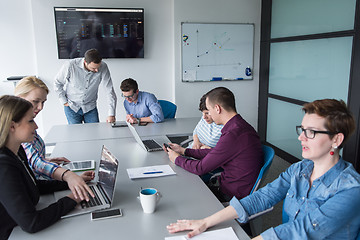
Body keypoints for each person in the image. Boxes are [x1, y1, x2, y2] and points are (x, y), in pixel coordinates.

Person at [167, 99, 360, 240]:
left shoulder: (351, 189)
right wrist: (205, 222)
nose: (301, 138)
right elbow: (263, 197)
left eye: (311, 132)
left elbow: (304, 230)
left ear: (336, 140)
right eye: (302, 130)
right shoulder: (300, 169)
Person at [0, 95, 82, 238]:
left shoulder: (17, 151)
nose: (36, 126)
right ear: (12, 126)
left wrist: (72, 183)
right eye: (31, 121)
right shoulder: (3, 166)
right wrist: (73, 199)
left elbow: (32, 185)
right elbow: (32, 223)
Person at [164, 87, 263, 202]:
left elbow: (200, 168)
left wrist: (177, 159)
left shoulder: (233, 134)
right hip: (231, 187)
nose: (207, 115)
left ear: (217, 108)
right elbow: (215, 153)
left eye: (209, 111)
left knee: (181, 195)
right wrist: (184, 151)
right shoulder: (238, 126)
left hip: (231, 196)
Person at [15, 76, 95, 201]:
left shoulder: (27, 122)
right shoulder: (19, 127)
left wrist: (46, 159)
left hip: (41, 185)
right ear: (19, 98)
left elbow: (26, 158)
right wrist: (68, 176)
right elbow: (36, 164)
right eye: (36, 101)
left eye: (43, 102)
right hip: (36, 190)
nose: (40, 107)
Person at [54, 48, 117, 124]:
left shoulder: (103, 66)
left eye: (98, 67)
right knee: (76, 134)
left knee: (94, 133)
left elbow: (109, 90)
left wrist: (111, 114)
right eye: (93, 68)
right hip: (72, 107)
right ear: (85, 62)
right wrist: (64, 102)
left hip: (90, 107)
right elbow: (57, 83)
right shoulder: (70, 65)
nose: (97, 70)